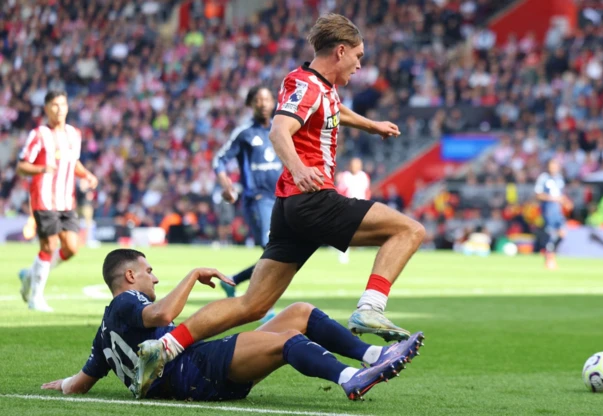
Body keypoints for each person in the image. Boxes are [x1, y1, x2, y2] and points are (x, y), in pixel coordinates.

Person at [134, 13, 426, 393]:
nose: (360, 64)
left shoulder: (316, 84)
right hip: (312, 198)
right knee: (409, 230)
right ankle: (370, 308)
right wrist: (299, 167)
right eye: (358, 56)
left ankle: (164, 347)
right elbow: (279, 129)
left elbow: (335, 112)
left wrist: (372, 125)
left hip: (289, 208)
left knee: (252, 305)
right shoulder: (307, 86)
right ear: (340, 51)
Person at [41, 249, 424, 402]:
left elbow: (80, 383)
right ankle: (349, 378)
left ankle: (374, 354)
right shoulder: (128, 300)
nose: (154, 279)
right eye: (149, 271)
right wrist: (192, 275)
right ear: (129, 275)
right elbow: (159, 316)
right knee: (287, 338)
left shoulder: (104, 335)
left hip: (191, 370)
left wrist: (60, 384)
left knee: (300, 312)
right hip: (189, 370)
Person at [16, 90, 98, 312]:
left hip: (66, 200)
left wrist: (87, 174)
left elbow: (74, 163)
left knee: (71, 248)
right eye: (54, 105)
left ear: (67, 107)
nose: (59, 109)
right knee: (49, 245)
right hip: (43, 198)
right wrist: (42, 168)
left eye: (62, 104)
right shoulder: (39, 134)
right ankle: (35, 298)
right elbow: (21, 165)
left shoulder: (74, 134)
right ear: (46, 108)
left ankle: (30, 275)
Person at [213, 86, 281, 322]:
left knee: (284, 254)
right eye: (258, 100)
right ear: (250, 104)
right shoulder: (243, 133)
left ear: (274, 102)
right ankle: (264, 306)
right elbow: (219, 159)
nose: (263, 103)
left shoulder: (282, 129)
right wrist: (226, 185)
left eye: (267, 99)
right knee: (271, 249)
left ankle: (233, 280)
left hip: (283, 198)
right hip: (258, 199)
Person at [535, 159, 570, 269]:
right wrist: (553, 199)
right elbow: (538, 194)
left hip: (558, 210)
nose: (553, 167)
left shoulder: (559, 178)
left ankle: (550, 254)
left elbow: (561, 195)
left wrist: (566, 201)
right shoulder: (543, 178)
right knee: (551, 235)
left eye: (555, 165)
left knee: (562, 234)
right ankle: (549, 260)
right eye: (551, 165)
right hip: (548, 210)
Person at [336, 157, 371, 264]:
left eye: (358, 164)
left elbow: (367, 191)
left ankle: (358, 247)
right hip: (348, 206)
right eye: (354, 164)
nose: (356, 166)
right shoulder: (345, 176)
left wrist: (366, 204)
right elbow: (340, 191)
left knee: (360, 229)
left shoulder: (364, 176)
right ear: (350, 165)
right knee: (345, 231)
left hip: (361, 206)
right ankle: (343, 254)